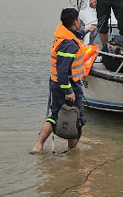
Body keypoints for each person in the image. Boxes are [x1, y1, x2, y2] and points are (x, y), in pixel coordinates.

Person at [31, 8, 97, 154]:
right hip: (67, 84)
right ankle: (72, 154)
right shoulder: (69, 44)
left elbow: (75, 34)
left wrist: (87, 30)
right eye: (79, 20)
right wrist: (69, 91)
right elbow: (62, 70)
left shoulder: (63, 33)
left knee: (54, 116)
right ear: (75, 22)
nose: (79, 22)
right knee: (76, 118)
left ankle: (38, 146)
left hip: (56, 82)